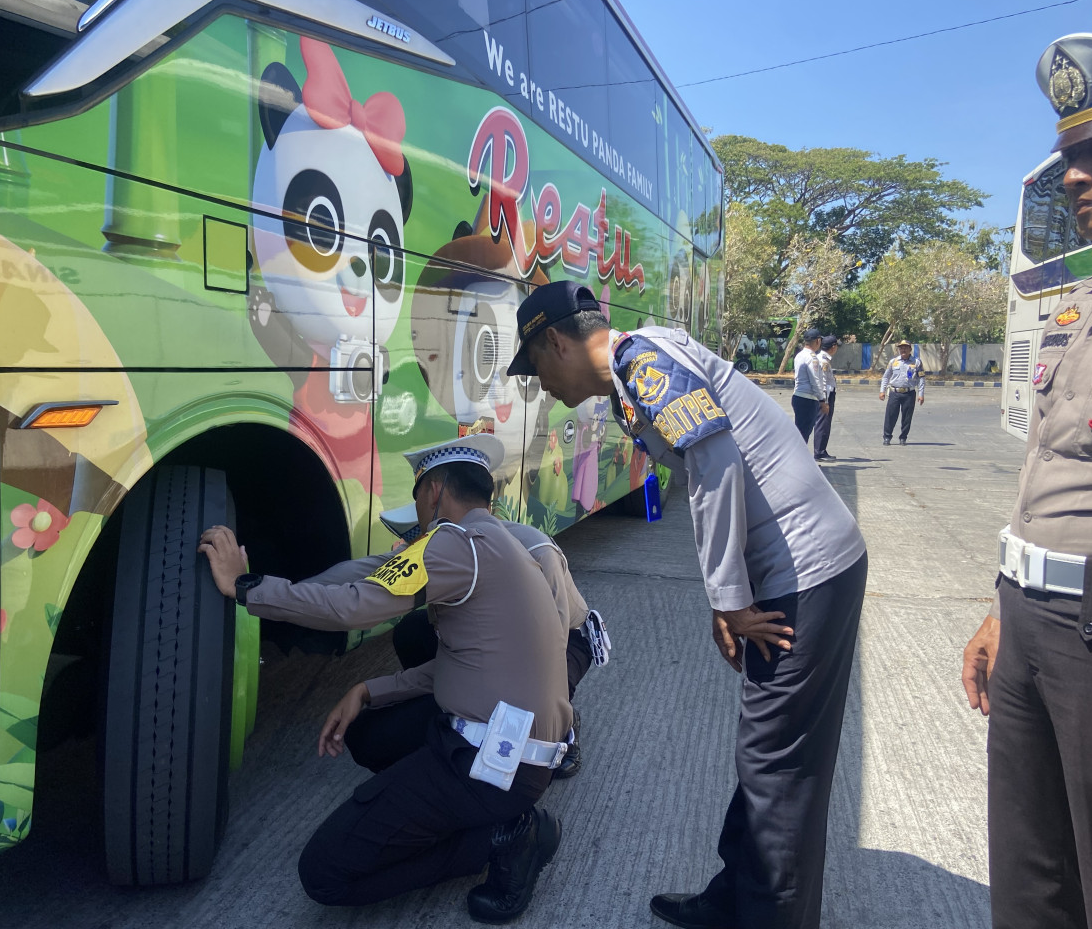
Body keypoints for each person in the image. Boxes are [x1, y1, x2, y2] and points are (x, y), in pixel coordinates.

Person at [507, 280, 868, 929]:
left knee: (777, 772)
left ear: (556, 341)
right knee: (771, 759)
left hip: (805, 573)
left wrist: (728, 599)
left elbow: (716, 460)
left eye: (534, 366)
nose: (540, 385)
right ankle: (735, 901)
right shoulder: (636, 373)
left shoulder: (641, 361)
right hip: (804, 567)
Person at [961, 33, 1092, 929]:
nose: (1074, 175)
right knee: (1031, 888)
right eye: (1065, 157)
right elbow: (1056, 465)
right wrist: (1005, 599)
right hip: (1038, 625)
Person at [198, 435, 572, 923]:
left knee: (324, 873)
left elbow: (357, 603)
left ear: (435, 491)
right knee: (370, 729)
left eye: (417, 495)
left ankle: (506, 838)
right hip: (513, 754)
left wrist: (244, 587)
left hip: (487, 767)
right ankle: (448, 815)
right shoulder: (501, 546)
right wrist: (368, 689)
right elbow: (453, 651)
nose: (417, 509)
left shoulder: (455, 543)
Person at [366, 502, 607, 779]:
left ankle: (563, 729)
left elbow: (549, 649)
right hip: (502, 644)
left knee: (526, 708)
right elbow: (450, 642)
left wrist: (386, 689)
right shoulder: (456, 555)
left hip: (561, 645)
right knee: (411, 631)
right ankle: (453, 714)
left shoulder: (534, 550)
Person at [878, 340, 924, 445]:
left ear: (910, 349)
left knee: (907, 417)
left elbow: (921, 379)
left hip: (909, 393)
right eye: (901, 348)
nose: (903, 349)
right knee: (890, 415)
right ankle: (887, 437)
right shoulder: (893, 362)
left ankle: (903, 438)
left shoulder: (916, 362)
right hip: (895, 392)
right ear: (899, 349)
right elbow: (886, 377)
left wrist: (921, 394)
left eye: (905, 347)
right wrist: (882, 391)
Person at [791, 327, 829, 442]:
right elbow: (815, 380)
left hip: (798, 396)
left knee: (799, 432)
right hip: (808, 399)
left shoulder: (800, 355)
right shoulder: (812, 358)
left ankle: (796, 458)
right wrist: (822, 401)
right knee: (803, 435)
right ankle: (797, 459)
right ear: (818, 341)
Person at [811, 335, 840, 461]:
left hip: (826, 395)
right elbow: (822, 382)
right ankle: (819, 452)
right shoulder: (823, 361)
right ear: (833, 347)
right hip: (826, 395)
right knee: (822, 423)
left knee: (825, 423)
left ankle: (822, 450)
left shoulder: (823, 358)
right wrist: (825, 401)